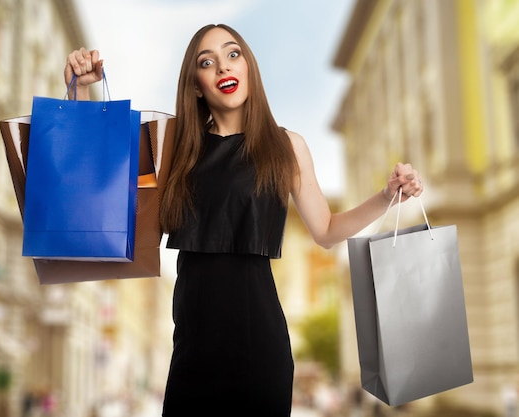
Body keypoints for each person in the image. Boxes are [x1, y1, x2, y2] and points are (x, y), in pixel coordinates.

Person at [64, 23, 423, 417]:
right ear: (196, 85)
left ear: (249, 66)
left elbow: (326, 231)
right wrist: (81, 92)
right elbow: (97, 194)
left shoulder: (286, 147)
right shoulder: (173, 147)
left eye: (233, 55)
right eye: (207, 62)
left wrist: (387, 195)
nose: (223, 68)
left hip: (259, 349)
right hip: (192, 352)